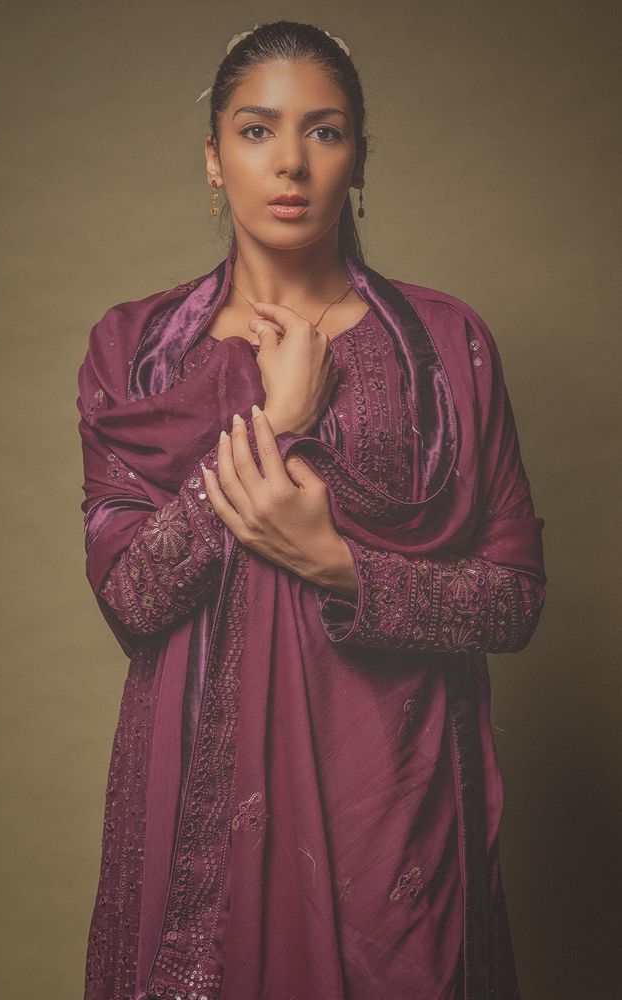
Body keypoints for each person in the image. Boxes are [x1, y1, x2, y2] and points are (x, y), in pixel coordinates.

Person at [76, 20, 546, 1000]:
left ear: (359, 158)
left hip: (396, 806)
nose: (288, 162)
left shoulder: (444, 349)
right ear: (212, 158)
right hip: (202, 818)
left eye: (323, 132)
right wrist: (278, 419)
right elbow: (128, 591)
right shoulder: (136, 353)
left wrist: (339, 565)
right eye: (255, 131)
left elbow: (511, 597)